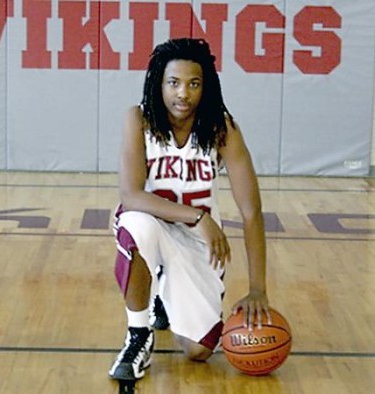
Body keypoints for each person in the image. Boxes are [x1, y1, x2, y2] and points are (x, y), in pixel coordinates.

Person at [109, 38, 270, 381]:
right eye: (174, 83)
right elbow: (131, 194)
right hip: (155, 225)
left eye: (193, 84)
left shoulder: (221, 128)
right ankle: (138, 335)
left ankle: (165, 293)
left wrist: (258, 288)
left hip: (197, 245)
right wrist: (199, 217)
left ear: (205, 87)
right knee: (135, 223)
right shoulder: (138, 119)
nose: (183, 93)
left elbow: (252, 212)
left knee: (199, 351)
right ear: (158, 83)